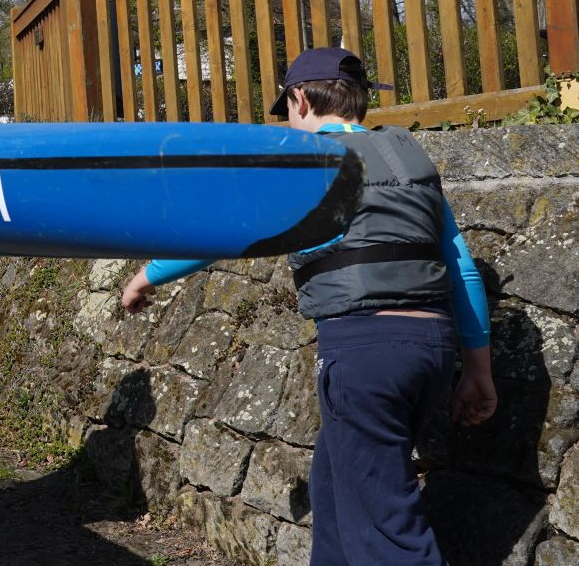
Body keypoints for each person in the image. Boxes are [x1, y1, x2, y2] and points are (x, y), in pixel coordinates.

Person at [120, 47, 498, 566]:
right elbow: (460, 268)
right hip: (431, 350)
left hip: (363, 354)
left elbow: (222, 232)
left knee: (388, 533)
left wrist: (144, 277)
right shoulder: (408, 157)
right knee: (335, 490)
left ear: (300, 98)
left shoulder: (303, 164)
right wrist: (478, 370)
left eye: (288, 110)